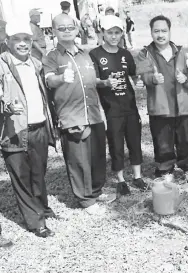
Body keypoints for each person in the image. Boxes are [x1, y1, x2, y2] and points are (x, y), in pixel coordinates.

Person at [43, 14, 107, 215]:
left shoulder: (84, 53)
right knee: (78, 160)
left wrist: (103, 82)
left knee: (96, 155)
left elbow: (89, 79)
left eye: (71, 26)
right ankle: (86, 200)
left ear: (77, 28)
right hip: (72, 116)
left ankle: (96, 189)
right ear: (54, 32)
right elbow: (49, 80)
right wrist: (61, 77)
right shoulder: (52, 56)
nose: (67, 30)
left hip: (94, 113)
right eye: (61, 28)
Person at [0, 20, 58, 237]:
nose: (23, 43)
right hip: (14, 131)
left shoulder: (36, 64)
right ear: (7, 42)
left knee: (38, 172)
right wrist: (5, 105)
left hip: (39, 127)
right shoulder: (1, 65)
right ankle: (36, 222)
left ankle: (41, 206)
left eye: (26, 39)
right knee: (22, 177)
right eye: (17, 39)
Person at [136, 15, 188, 185]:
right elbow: (143, 76)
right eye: (156, 31)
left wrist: (185, 80)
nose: (160, 34)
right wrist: (152, 78)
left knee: (186, 139)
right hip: (160, 106)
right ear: (151, 32)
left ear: (170, 32)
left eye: (164, 30)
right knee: (162, 141)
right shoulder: (145, 54)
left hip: (182, 106)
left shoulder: (182, 52)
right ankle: (165, 170)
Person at [89, 15, 147, 196]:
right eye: (110, 33)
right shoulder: (95, 54)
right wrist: (105, 83)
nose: (114, 36)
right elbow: (93, 80)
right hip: (111, 108)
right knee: (116, 142)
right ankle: (121, 179)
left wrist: (138, 82)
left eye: (117, 32)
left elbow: (133, 74)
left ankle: (137, 176)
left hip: (129, 105)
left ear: (122, 33)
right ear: (103, 33)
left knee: (134, 139)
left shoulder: (125, 54)